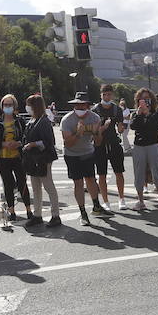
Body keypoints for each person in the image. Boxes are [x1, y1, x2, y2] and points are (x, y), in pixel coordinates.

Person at [60, 92, 110, 226]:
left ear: (88, 106)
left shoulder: (95, 118)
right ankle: (83, 213)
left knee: (91, 180)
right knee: (78, 183)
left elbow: (98, 142)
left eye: (83, 105)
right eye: (77, 105)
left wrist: (97, 132)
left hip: (88, 152)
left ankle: (96, 207)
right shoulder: (66, 120)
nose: (80, 108)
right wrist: (78, 134)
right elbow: (67, 143)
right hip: (72, 154)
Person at [0, 94, 35, 223]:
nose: (7, 107)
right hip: (2, 158)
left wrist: (18, 143)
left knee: (22, 183)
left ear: (14, 106)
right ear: (2, 106)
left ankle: (28, 209)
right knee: (8, 185)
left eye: (10, 104)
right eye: (5, 105)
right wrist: (3, 144)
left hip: (18, 156)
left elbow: (26, 136)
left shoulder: (20, 121)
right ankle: (12, 211)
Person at [22, 95, 61, 227]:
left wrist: (33, 144)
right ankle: (37, 214)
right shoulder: (33, 120)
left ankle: (55, 215)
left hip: (43, 158)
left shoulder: (44, 121)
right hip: (33, 158)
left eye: (29, 105)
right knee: (35, 187)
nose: (27, 107)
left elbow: (49, 142)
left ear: (35, 106)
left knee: (48, 186)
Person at [128, 88, 158, 211]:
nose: (145, 101)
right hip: (139, 146)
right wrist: (140, 114)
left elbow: (155, 126)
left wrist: (147, 114)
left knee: (157, 173)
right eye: (142, 99)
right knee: (138, 174)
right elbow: (133, 126)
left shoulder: (156, 114)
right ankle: (140, 201)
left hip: (153, 145)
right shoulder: (136, 114)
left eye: (147, 99)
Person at [93, 84, 128, 210]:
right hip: (100, 145)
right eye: (104, 94)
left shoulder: (117, 110)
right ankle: (106, 202)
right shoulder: (95, 110)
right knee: (101, 174)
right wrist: (102, 128)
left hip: (114, 143)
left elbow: (120, 127)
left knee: (119, 172)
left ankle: (121, 199)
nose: (107, 97)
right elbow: (93, 131)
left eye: (109, 94)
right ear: (101, 95)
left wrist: (121, 128)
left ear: (112, 95)